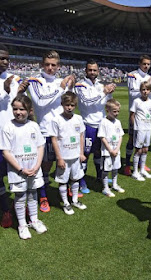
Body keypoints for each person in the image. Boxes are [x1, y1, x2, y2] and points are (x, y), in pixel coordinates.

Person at [28, 50, 75, 213]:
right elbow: (40, 102)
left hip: (64, 131)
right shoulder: (35, 81)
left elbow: (70, 103)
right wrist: (61, 89)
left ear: (58, 66)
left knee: (66, 162)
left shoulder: (63, 81)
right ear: (42, 64)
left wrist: (71, 88)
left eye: (53, 65)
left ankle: (66, 189)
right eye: (47, 64)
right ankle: (43, 196)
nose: (50, 68)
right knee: (45, 166)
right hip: (46, 131)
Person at [0, 95, 47, 239]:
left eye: (22, 109)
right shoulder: (8, 127)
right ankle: (22, 224)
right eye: (15, 109)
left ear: (29, 110)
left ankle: (34, 220)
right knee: (20, 196)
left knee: (33, 194)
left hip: (34, 169)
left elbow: (40, 146)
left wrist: (37, 165)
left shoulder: (34, 125)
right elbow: (6, 152)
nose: (18, 112)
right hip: (18, 171)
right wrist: (20, 169)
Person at [74, 59, 116, 194]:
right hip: (88, 125)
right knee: (85, 155)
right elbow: (86, 102)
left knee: (99, 152)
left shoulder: (99, 85)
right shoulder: (80, 86)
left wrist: (109, 92)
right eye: (90, 70)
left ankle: (99, 176)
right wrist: (104, 92)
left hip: (101, 125)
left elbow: (106, 102)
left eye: (95, 70)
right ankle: (82, 181)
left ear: (98, 71)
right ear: (86, 71)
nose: (92, 72)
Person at [0, 44, 29, 228]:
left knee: (18, 172)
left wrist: (20, 93)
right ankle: (5, 210)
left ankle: (19, 206)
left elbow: (16, 105)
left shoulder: (13, 79)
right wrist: (4, 90)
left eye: (7, 58)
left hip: (14, 135)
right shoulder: (7, 82)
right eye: (1, 58)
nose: (5, 61)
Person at [48, 92, 87, 215]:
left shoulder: (79, 119)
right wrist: (59, 158)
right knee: (63, 180)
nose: (69, 107)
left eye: (72, 105)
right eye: (67, 105)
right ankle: (66, 203)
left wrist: (81, 153)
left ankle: (75, 200)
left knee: (75, 179)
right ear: (62, 104)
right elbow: (54, 139)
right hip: (64, 157)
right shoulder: (56, 120)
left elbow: (81, 136)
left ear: (75, 105)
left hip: (76, 156)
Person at [124, 55, 151, 176]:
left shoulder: (150, 77)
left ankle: (141, 165)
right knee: (131, 139)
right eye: (144, 64)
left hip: (145, 116)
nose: (146, 66)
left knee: (144, 143)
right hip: (135, 112)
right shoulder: (132, 75)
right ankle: (128, 164)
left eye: (148, 64)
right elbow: (132, 93)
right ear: (140, 64)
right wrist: (147, 85)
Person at [97, 99, 125, 197]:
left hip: (116, 151)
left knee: (115, 168)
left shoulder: (118, 122)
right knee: (106, 169)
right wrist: (110, 150)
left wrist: (117, 149)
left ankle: (114, 184)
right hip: (107, 151)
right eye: (114, 111)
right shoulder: (103, 122)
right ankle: (105, 188)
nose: (116, 113)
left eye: (118, 111)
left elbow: (121, 136)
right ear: (107, 110)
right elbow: (102, 137)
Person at [130, 81, 151, 181]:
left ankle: (142, 169)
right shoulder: (136, 101)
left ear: (150, 91)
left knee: (145, 149)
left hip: (147, 128)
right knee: (138, 150)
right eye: (143, 89)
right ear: (140, 90)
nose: (145, 91)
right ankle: (135, 171)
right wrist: (135, 126)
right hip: (139, 128)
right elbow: (132, 115)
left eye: (147, 89)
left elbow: (150, 115)